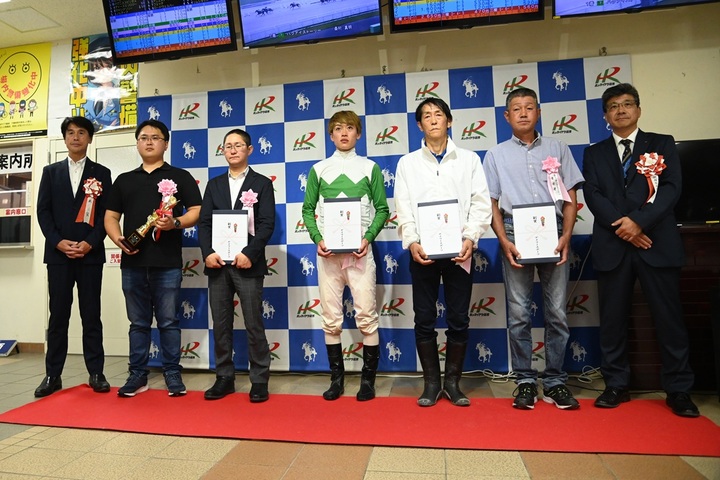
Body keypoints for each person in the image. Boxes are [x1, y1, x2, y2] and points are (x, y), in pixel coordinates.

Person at [582, 83, 699, 417]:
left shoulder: (661, 144)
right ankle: (616, 384)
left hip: (656, 243)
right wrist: (625, 228)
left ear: (638, 109)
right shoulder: (594, 153)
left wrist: (639, 223)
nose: (621, 110)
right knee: (613, 321)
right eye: (613, 106)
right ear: (605, 116)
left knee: (669, 319)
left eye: (627, 104)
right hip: (613, 245)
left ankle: (678, 389)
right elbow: (593, 195)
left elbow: (671, 189)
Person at [483, 88, 584, 410]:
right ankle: (525, 380)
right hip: (515, 232)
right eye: (517, 108)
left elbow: (571, 197)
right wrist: (504, 240)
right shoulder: (495, 155)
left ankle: (555, 381)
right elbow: (492, 203)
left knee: (557, 312)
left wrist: (566, 236)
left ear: (538, 112)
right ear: (507, 116)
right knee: (518, 313)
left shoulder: (558, 148)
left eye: (529, 107)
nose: (523, 113)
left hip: (553, 232)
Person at [394, 98, 492, 407]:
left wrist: (470, 237)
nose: (433, 119)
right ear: (419, 125)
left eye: (439, 114)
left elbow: (480, 203)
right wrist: (412, 241)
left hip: (459, 251)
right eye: (427, 116)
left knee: (459, 318)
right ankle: (431, 384)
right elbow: (403, 206)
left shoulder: (469, 160)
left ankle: (453, 383)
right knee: (424, 318)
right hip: (422, 251)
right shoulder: (407, 163)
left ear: (449, 121)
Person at [104, 119, 202, 398]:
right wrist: (117, 239)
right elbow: (110, 216)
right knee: (138, 323)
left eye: (155, 137)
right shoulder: (124, 180)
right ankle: (137, 374)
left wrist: (176, 223)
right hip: (132, 263)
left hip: (167, 262)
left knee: (169, 321)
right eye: (143, 137)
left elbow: (197, 210)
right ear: (137, 143)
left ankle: (172, 372)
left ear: (166, 144)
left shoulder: (180, 176)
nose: (149, 142)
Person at [301, 111, 389, 401]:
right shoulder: (319, 169)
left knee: (366, 316)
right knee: (331, 319)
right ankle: (336, 381)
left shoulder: (370, 167)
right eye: (338, 128)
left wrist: (367, 238)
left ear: (358, 134)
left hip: (360, 254)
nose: (343, 133)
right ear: (330, 135)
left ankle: (368, 382)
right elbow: (307, 210)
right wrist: (318, 239)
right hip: (328, 257)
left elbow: (382, 209)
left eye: (349, 128)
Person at [35, 116, 113, 397]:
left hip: (90, 256)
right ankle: (52, 375)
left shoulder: (102, 173)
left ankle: (96, 373)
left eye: (81, 132)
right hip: (59, 257)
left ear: (89, 138)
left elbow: (106, 214)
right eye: (70, 133)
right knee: (58, 316)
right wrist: (58, 242)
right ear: (65, 138)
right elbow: (43, 211)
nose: (76, 137)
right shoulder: (50, 172)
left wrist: (90, 243)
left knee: (91, 315)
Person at [198, 129, 275, 402]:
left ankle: (259, 380)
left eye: (238, 145)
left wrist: (249, 253)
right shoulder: (214, 184)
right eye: (228, 146)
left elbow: (267, 224)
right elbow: (204, 223)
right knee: (221, 324)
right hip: (218, 264)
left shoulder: (261, 184)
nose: (232, 150)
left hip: (247, 264)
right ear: (223, 151)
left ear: (249, 150)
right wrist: (207, 253)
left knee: (254, 323)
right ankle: (224, 377)